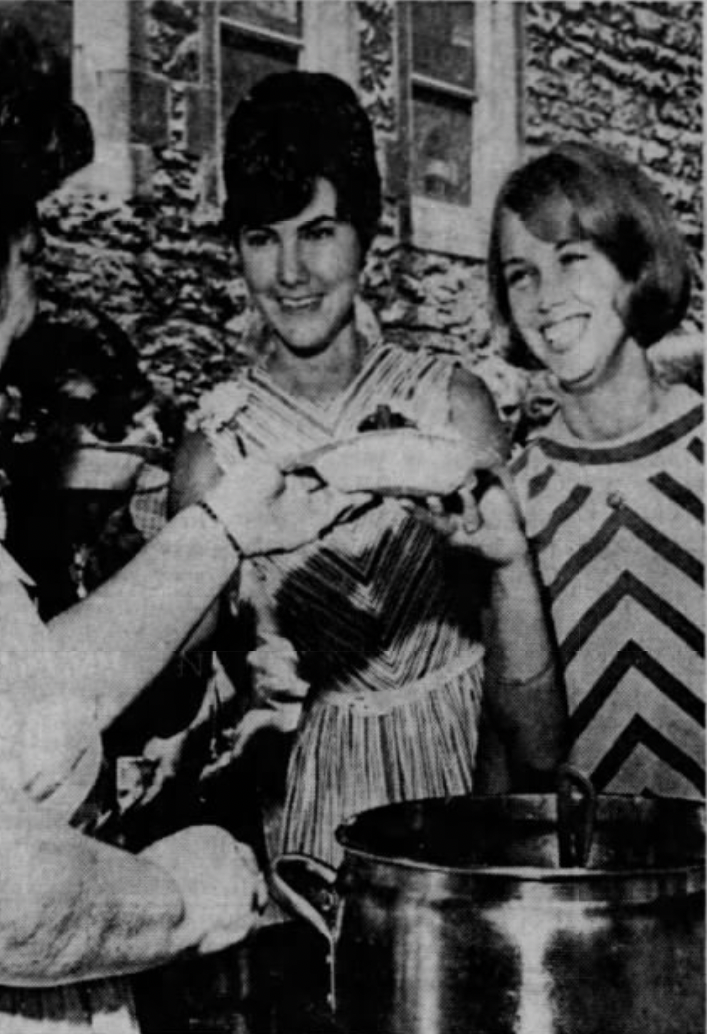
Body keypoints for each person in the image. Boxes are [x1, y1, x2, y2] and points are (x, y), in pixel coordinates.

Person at [0, 18, 365, 1033]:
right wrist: (171, 901)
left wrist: (219, 526)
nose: (23, 319)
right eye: (30, 266)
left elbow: (2, 713)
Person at [164, 71, 565, 867]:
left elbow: (520, 642)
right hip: (317, 793)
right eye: (261, 237)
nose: (290, 272)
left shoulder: (452, 404)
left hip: (470, 773)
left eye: (318, 232)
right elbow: (175, 697)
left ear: (367, 236)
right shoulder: (214, 451)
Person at [488, 141, 703, 798]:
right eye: (520, 274)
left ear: (636, 263)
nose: (547, 297)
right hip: (597, 879)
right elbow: (519, 751)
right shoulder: (514, 494)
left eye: (572, 259)